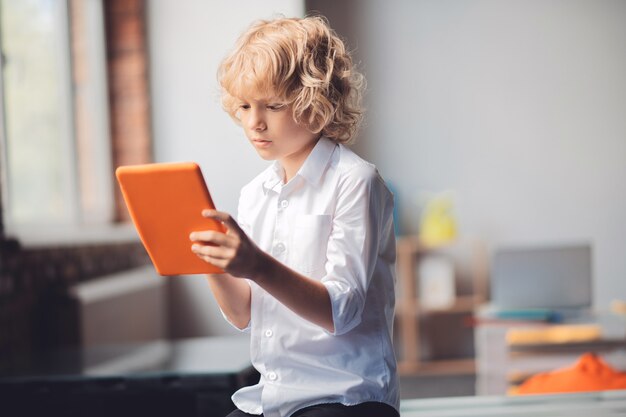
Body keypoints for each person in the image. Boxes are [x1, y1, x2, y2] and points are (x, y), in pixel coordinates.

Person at [189, 16, 399, 417]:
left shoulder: (357, 182)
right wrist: (210, 259)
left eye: (273, 105)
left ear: (315, 101)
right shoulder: (254, 194)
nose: (254, 122)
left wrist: (255, 265)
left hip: (347, 396)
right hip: (274, 397)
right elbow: (241, 315)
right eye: (246, 106)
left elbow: (342, 310)